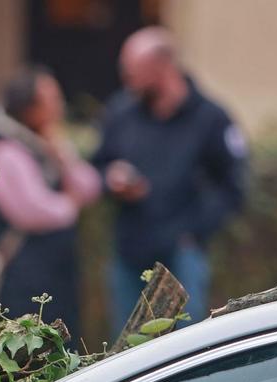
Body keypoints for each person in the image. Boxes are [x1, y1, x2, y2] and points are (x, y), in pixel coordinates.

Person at [93, 26, 247, 336]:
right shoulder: (121, 113)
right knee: (126, 348)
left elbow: (233, 186)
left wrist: (193, 231)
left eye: (133, 71)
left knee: (184, 344)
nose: (127, 80)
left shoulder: (211, 118)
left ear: (163, 67)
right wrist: (111, 179)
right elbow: (97, 165)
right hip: (129, 252)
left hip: (182, 254)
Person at [0, 66, 101, 333]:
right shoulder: (4, 151)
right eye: (52, 100)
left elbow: (89, 186)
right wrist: (70, 205)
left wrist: (62, 154)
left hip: (58, 273)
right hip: (25, 277)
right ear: (28, 108)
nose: (59, 107)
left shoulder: (45, 143)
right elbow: (30, 211)